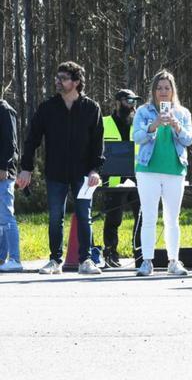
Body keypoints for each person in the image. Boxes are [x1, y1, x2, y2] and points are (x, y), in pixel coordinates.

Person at [18, 61, 104, 275]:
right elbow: (32, 139)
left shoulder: (91, 108)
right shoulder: (47, 108)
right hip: (55, 172)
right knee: (56, 217)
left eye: (63, 78)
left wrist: (95, 169)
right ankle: (55, 261)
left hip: (83, 173)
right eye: (57, 78)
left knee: (85, 215)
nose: (58, 81)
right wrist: (26, 168)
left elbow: (98, 143)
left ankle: (85, 261)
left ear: (76, 82)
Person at [132, 70, 192, 277]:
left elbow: (188, 140)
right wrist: (153, 125)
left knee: (172, 218)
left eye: (167, 88)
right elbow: (137, 137)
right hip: (148, 170)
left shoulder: (183, 113)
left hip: (175, 170)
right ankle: (147, 261)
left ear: (173, 90)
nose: (163, 92)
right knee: (149, 216)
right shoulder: (143, 111)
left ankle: (173, 261)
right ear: (153, 90)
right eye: (159, 88)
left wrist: (177, 126)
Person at [102, 89, 143, 268]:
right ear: (118, 102)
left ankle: (140, 254)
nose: (132, 105)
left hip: (139, 177)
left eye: (134, 101)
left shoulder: (140, 124)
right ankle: (111, 253)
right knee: (113, 218)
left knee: (141, 217)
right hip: (113, 178)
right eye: (128, 101)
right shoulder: (104, 123)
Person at [0, 98, 22, 271]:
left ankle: (15, 259)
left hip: (4, 172)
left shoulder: (5, 110)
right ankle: (2, 259)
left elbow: (10, 143)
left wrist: (3, 167)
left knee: (6, 216)